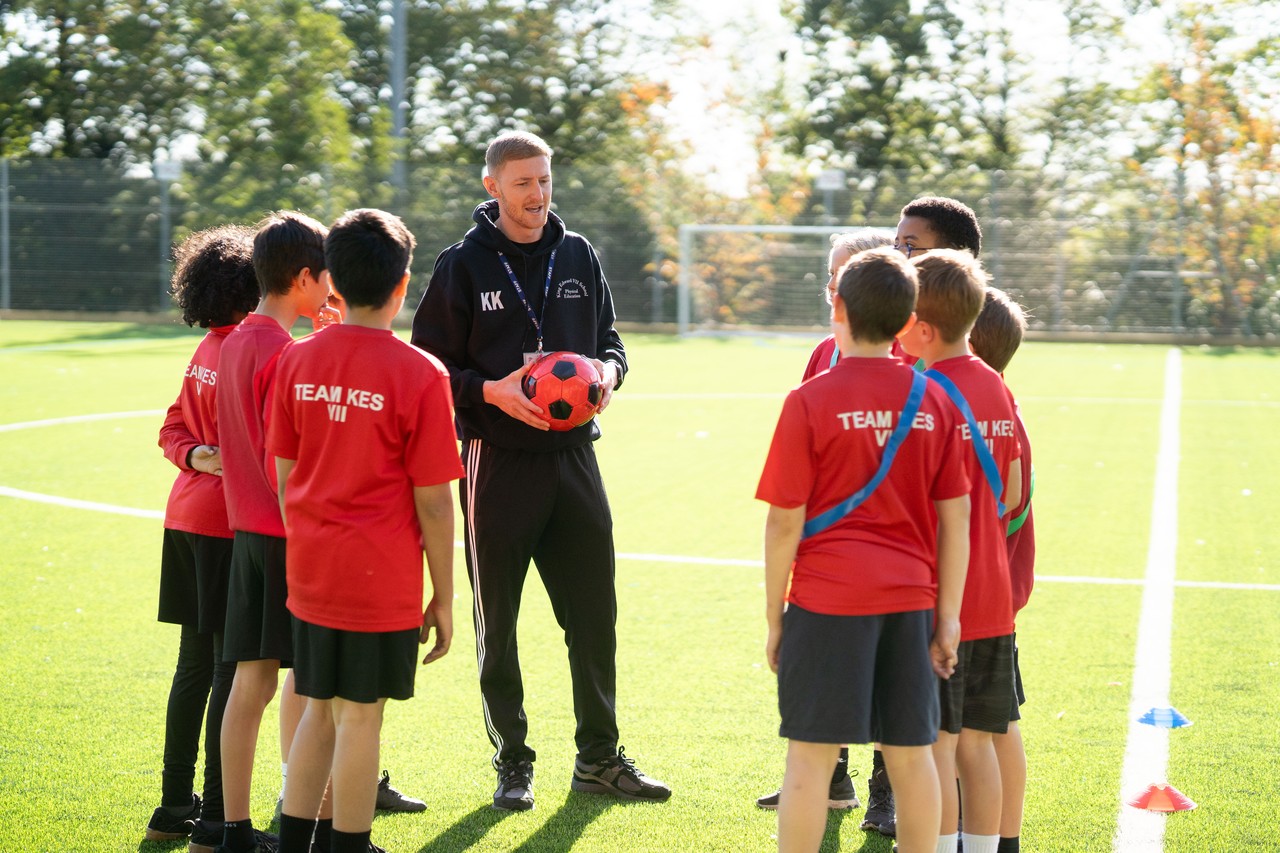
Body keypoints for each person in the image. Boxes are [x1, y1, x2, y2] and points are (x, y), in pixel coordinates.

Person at [410, 130, 670, 811]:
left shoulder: (577, 252)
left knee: (594, 615)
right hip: (496, 461)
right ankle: (513, 761)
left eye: (545, 180)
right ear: (492, 186)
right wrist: (490, 392)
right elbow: (429, 367)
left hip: (576, 457)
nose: (538, 194)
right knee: (499, 621)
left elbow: (611, 340)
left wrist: (608, 372)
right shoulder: (462, 265)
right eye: (523, 182)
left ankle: (600, 759)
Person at [757, 246, 972, 853]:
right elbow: (956, 519)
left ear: (838, 307)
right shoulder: (935, 400)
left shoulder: (808, 401)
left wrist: (776, 617)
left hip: (825, 604)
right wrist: (948, 617)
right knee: (912, 758)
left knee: (810, 763)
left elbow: (782, 524)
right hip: (910, 604)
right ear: (908, 323)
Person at [268, 208, 462, 853]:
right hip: (380, 579)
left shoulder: (296, 362)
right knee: (362, 716)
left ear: (332, 284)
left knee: (317, 706)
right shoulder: (421, 373)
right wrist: (445, 595)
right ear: (404, 285)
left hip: (313, 568)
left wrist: (311, 541)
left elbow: (285, 476)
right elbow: (436, 502)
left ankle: (293, 841)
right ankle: (349, 844)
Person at [756, 229, 900, 826]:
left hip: (877, 566)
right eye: (830, 278)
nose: (833, 291)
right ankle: (834, 778)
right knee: (828, 693)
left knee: (892, 698)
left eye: (843, 279)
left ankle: (885, 791)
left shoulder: (906, 367)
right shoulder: (821, 356)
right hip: (824, 558)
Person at [205, 210, 334, 853]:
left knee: (248, 683)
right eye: (325, 276)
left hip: (245, 536)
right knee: (314, 683)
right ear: (303, 277)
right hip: (288, 537)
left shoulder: (233, 343)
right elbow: (289, 460)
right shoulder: (284, 354)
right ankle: (308, 820)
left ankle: (233, 828)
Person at [898, 249, 1023, 853]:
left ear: (921, 326)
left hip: (944, 597)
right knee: (979, 741)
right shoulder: (997, 387)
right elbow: (1015, 488)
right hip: (994, 593)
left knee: (939, 746)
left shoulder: (924, 393)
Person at [145, 226, 260, 845]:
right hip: (222, 524)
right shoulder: (247, 348)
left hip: (184, 517)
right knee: (226, 668)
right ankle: (216, 815)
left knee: (194, 664)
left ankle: (173, 807)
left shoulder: (207, 349)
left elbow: (169, 426)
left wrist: (192, 456)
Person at [969, 287, 1035, 853]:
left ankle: (981, 838)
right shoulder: (1003, 403)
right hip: (997, 594)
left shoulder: (983, 406)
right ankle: (1001, 840)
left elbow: (1003, 501)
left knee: (974, 733)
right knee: (996, 724)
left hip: (973, 598)